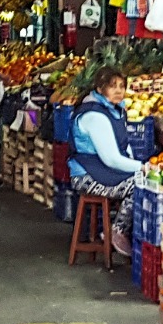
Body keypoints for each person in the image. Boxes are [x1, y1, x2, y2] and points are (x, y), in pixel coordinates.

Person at [69, 67, 141, 254]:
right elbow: (111, 159)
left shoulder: (116, 110)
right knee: (140, 184)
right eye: (112, 86)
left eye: (122, 86)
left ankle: (116, 232)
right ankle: (117, 231)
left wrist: (137, 165)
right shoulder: (95, 115)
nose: (118, 91)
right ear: (100, 89)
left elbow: (124, 147)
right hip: (86, 177)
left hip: (102, 172)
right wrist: (144, 168)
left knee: (142, 179)